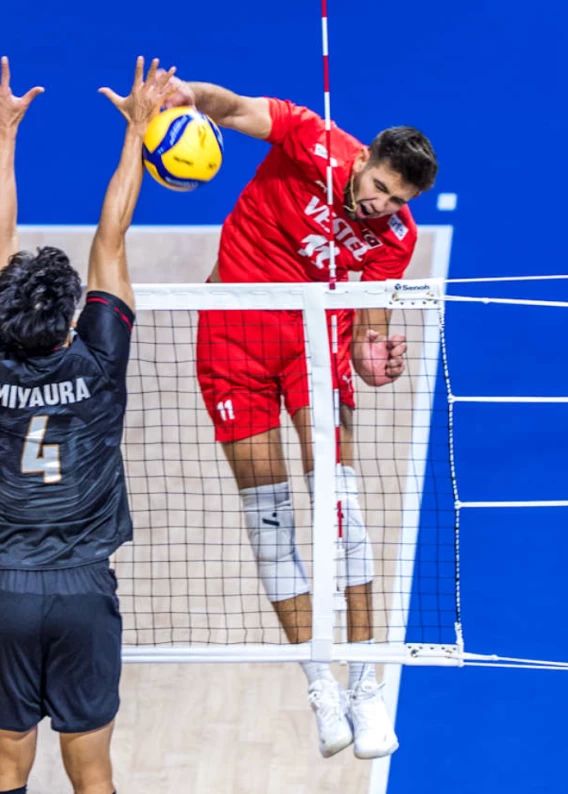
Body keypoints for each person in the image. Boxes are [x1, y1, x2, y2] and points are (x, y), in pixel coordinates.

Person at [173, 74, 437, 758]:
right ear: (363, 158)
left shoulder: (395, 236)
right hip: (233, 338)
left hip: (315, 346)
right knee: (270, 522)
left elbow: (370, 331)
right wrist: (182, 94)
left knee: (342, 512)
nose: (381, 206)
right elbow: (233, 109)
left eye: (397, 200)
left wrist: (375, 359)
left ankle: (366, 683)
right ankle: (320, 682)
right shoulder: (310, 139)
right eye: (379, 188)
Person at [0, 55, 179, 794]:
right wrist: (138, 131)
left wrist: (3, 133)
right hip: (84, 590)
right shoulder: (100, 357)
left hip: (5, 588)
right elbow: (110, 240)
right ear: (72, 315)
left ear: (1, 311)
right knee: (91, 772)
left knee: (5, 767)